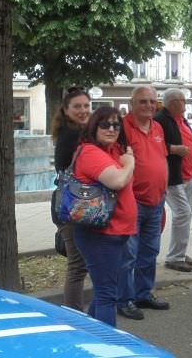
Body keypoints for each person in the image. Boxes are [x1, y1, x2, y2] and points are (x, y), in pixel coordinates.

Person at [72, 106, 136, 327]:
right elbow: (117, 181)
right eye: (105, 124)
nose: (111, 129)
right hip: (100, 234)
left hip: (114, 232)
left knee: (105, 291)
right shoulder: (90, 152)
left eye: (116, 125)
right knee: (107, 295)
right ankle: (108, 348)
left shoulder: (112, 150)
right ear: (93, 126)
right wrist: (130, 163)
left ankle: (90, 336)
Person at [117, 86, 169, 320]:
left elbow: (160, 158)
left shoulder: (157, 127)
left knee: (150, 251)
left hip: (156, 200)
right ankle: (124, 299)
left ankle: (143, 294)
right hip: (132, 201)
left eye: (152, 101)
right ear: (132, 103)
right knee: (128, 254)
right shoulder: (122, 129)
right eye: (143, 101)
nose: (148, 105)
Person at [51, 87, 91, 312]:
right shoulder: (73, 134)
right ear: (66, 110)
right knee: (77, 265)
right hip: (72, 205)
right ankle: (74, 315)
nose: (83, 110)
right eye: (77, 106)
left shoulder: (73, 131)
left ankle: (75, 312)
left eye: (86, 105)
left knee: (78, 264)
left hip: (70, 204)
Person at [155, 88, 192, 273]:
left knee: (184, 216)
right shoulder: (160, 119)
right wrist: (173, 149)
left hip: (187, 174)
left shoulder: (181, 119)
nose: (185, 104)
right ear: (172, 102)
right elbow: (153, 143)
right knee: (183, 213)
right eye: (182, 100)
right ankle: (174, 257)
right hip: (172, 176)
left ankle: (179, 252)